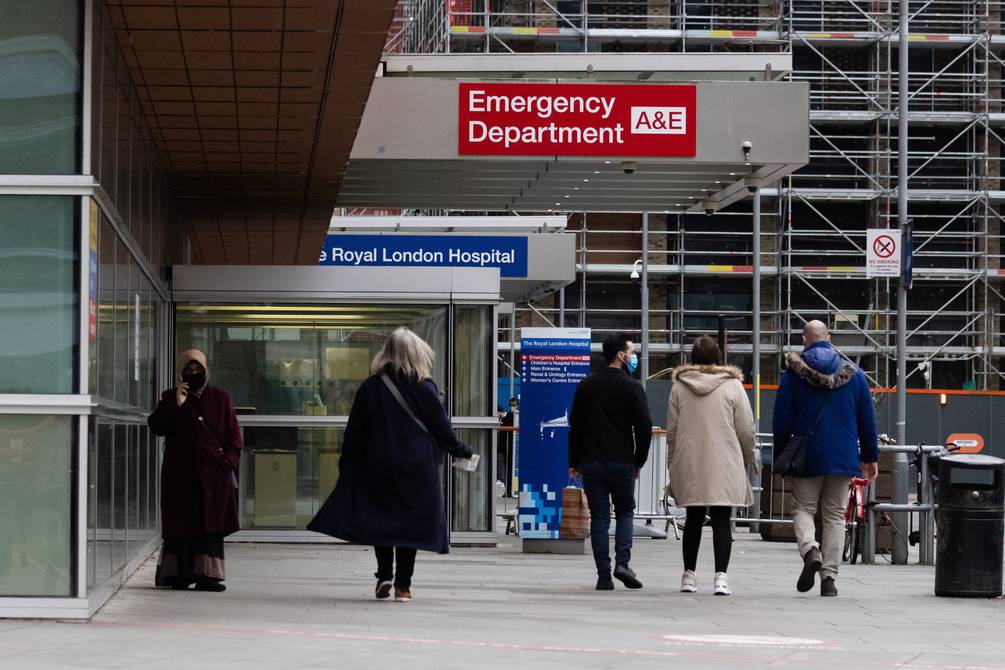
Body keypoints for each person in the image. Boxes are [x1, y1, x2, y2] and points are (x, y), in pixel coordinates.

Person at [308, 327, 473, 602]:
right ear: (418, 354)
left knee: (381, 519)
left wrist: (346, 464)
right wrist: (463, 451)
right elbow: (442, 430)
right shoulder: (425, 388)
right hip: (416, 469)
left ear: (386, 353)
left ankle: (384, 574)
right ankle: (403, 587)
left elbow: (354, 432)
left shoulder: (370, 387)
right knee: (410, 525)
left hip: (377, 465)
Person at [773, 320, 879, 597]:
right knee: (834, 515)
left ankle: (810, 550)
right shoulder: (854, 374)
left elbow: (781, 420)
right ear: (829, 338)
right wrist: (870, 456)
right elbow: (867, 420)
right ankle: (829, 578)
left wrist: (781, 455)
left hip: (806, 455)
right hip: (842, 456)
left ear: (804, 340)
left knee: (803, 508)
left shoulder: (793, 375)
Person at [666, 336, 755, 596]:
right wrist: (750, 456)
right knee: (721, 519)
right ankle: (721, 578)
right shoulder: (733, 386)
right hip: (724, 461)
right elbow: (746, 428)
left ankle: (689, 575)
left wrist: (673, 461)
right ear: (718, 357)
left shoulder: (679, 387)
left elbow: (672, 431)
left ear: (692, 358)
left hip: (690, 460)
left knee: (693, 518)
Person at [148, 349, 243, 592]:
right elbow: (157, 426)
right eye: (188, 369)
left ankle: (208, 576)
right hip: (180, 475)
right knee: (182, 525)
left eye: (198, 369)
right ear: (181, 372)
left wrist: (228, 462)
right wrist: (176, 404)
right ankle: (180, 574)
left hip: (214, 476)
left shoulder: (221, 398)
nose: (193, 373)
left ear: (206, 369)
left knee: (210, 525)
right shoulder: (170, 397)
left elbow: (233, 437)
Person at [568, 333, 653, 591]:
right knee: (625, 511)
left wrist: (574, 461)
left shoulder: (586, 386)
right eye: (632, 351)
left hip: (592, 461)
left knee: (600, 517)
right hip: (622, 461)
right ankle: (623, 563)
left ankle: (603, 575)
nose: (634, 356)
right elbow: (644, 427)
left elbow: (575, 427)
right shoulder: (633, 388)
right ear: (620, 355)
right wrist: (639, 460)